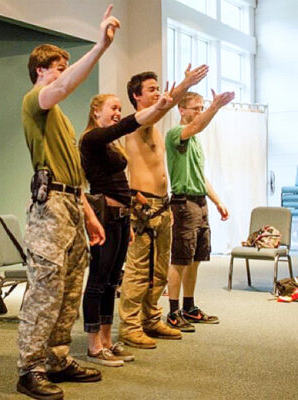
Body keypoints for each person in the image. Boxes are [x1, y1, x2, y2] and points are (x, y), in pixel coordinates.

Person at [17, 6, 120, 400]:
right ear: (41, 71)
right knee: (44, 291)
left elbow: (73, 179)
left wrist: (89, 217)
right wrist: (100, 47)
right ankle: (29, 368)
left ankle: (57, 359)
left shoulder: (62, 118)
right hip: (49, 212)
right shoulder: (36, 100)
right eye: (59, 66)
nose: (64, 73)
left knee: (69, 289)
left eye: (65, 66)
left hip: (71, 207)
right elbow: (61, 88)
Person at [80, 87, 174, 367]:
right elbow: (126, 126)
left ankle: (108, 341)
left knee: (112, 281)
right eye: (113, 107)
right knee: (97, 281)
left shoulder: (111, 145)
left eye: (120, 108)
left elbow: (121, 183)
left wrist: (131, 209)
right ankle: (93, 346)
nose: (118, 113)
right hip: (104, 215)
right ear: (96, 112)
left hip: (121, 216)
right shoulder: (92, 139)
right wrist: (158, 108)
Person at [118, 65, 209, 349]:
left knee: (158, 271)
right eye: (151, 89)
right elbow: (162, 107)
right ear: (136, 96)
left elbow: (162, 110)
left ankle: (150, 318)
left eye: (158, 88)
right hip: (143, 207)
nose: (158, 93)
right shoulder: (137, 122)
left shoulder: (157, 130)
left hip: (162, 205)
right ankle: (130, 326)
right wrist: (185, 84)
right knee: (138, 271)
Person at [165, 89, 234, 333]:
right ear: (181, 110)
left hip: (200, 203)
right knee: (180, 259)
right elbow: (197, 126)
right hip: (183, 204)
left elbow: (200, 176)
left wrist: (217, 201)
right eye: (196, 108)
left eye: (202, 107)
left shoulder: (195, 141)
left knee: (195, 259)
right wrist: (215, 107)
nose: (199, 112)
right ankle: (172, 312)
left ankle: (189, 307)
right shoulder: (177, 134)